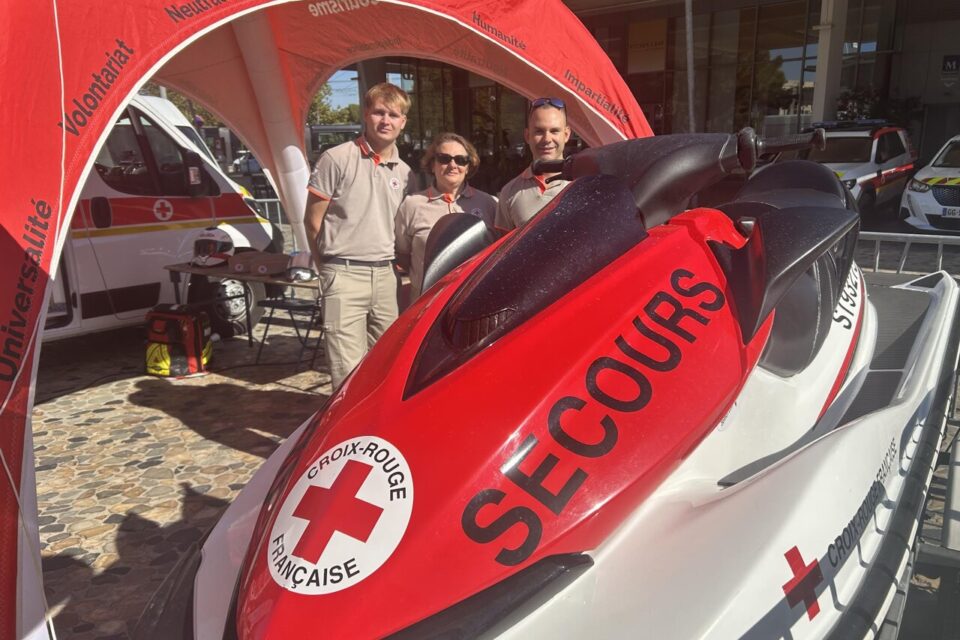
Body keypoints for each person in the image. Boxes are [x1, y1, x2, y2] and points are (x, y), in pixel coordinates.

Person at [304, 82, 415, 388]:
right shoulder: (336, 159)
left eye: (394, 114)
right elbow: (312, 221)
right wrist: (326, 271)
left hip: (386, 277)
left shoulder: (406, 173)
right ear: (366, 114)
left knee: (387, 364)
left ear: (403, 122)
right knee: (346, 370)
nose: (386, 120)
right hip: (344, 273)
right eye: (379, 112)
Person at [395, 133, 497, 300]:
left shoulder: (489, 203)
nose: (452, 165)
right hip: (426, 301)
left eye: (460, 160)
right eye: (444, 158)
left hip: (473, 299)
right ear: (432, 164)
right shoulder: (412, 205)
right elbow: (404, 255)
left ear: (468, 166)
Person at [494, 97, 571, 233]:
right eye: (539, 131)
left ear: (566, 134)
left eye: (554, 131)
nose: (547, 139)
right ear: (527, 135)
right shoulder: (509, 192)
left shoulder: (584, 185)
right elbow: (503, 250)